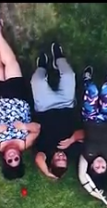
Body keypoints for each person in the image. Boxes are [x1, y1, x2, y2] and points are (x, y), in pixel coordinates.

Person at [0, 18, 40, 180]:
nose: (13, 157)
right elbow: (37, 128)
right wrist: (24, 126)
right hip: (17, 99)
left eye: (10, 161)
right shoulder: (25, 143)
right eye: (16, 160)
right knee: (11, 63)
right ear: (20, 158)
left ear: (5, 160)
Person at [31, 42, 83, 180]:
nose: (61, 156)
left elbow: (38, 158)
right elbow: (83, 134)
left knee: (37, 81)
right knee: (69, 75)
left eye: (58, 159)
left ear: (51, 161)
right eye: (64, 160)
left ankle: (42, 67)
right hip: (66, 103)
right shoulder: (72, 150)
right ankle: (58, 60)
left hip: (44, 106)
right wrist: (72, 139)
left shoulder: (45, 149)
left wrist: (48, 173)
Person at [78, 65, 107, 207]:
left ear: (91, 167)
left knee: (92, 89)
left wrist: (93, 193)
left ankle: (86, 80)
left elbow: (82, 177)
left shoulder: (87, 156)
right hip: (106, 117)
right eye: (103, 167)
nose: (100, 164)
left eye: (97, 167)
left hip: (89, 118)